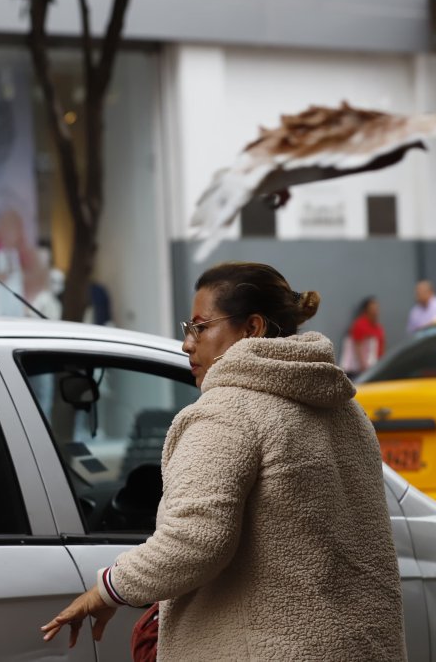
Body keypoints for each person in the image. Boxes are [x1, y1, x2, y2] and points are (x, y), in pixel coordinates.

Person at [40, 261, 405, 661]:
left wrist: (106, 590)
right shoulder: (347, 411)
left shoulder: (227, 412)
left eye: (200, 327)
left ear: (252, 328)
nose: (187, 344)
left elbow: (194, 540)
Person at [341, 296, 386, 378]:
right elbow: (357, 346)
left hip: (375, 367)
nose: (376, 311)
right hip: (359, 370)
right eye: (373, 308)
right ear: (367, 310)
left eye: (377, 308)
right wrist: (363, 366)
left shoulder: (378, 328)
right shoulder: (360, 324)